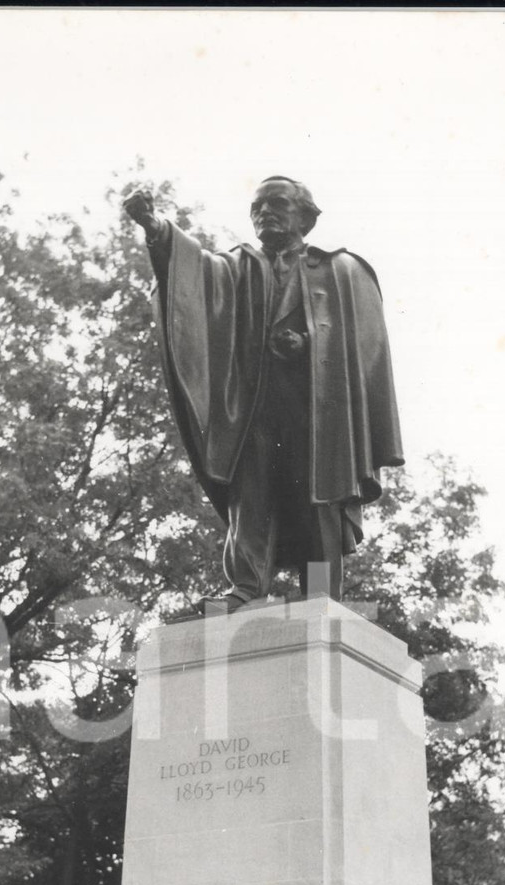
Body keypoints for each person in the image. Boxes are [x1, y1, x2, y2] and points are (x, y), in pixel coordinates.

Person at [123, 177, 403, 610]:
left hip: (319, 407)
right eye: (256, 207)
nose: (264, 213)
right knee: (250, 493)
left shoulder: (342, 269)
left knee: (320, 498)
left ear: (305, 216)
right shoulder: (240, 267)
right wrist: (157, 228)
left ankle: (321, 592)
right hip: (255, 404)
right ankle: (247, 587)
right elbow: (197, 274)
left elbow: (366, 347)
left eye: (276, 203)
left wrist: (310, 342)